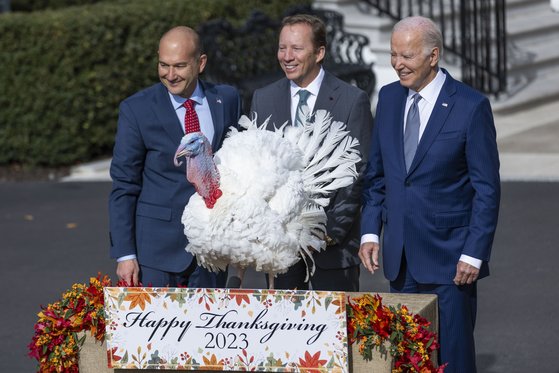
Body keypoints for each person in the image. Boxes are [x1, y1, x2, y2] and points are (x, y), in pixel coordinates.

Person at [359, 16, 500, 372]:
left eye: (406, 55)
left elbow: (486, 189)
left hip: (451, 261)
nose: (397, 64)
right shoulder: (389, 98)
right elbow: (377, 175)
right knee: (406, 358)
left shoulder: (470, 106)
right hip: (401, 258)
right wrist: (371, 230)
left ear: (433, 55)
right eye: (393, 54)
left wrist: (474, 253)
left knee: (452, 360)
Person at [109, 26, 241, 287]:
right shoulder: (137, 109)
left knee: (208, 326)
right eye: (163, 65)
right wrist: (125, 254)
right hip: (156, 253)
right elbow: (124, 185)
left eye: (179, 66)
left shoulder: (227, 99)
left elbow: (238, 164)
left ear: (200, 63)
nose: (170, 75)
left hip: (211, 249)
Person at [250, 14, 373, 291]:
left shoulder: (352, 101)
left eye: (296, 48)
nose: (287, 56)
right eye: (282, 48)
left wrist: (323, 232)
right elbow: (256, 167)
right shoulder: (264, 98)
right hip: (280, 251)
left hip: (332, 251)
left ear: (319, 53)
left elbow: (357, 174)